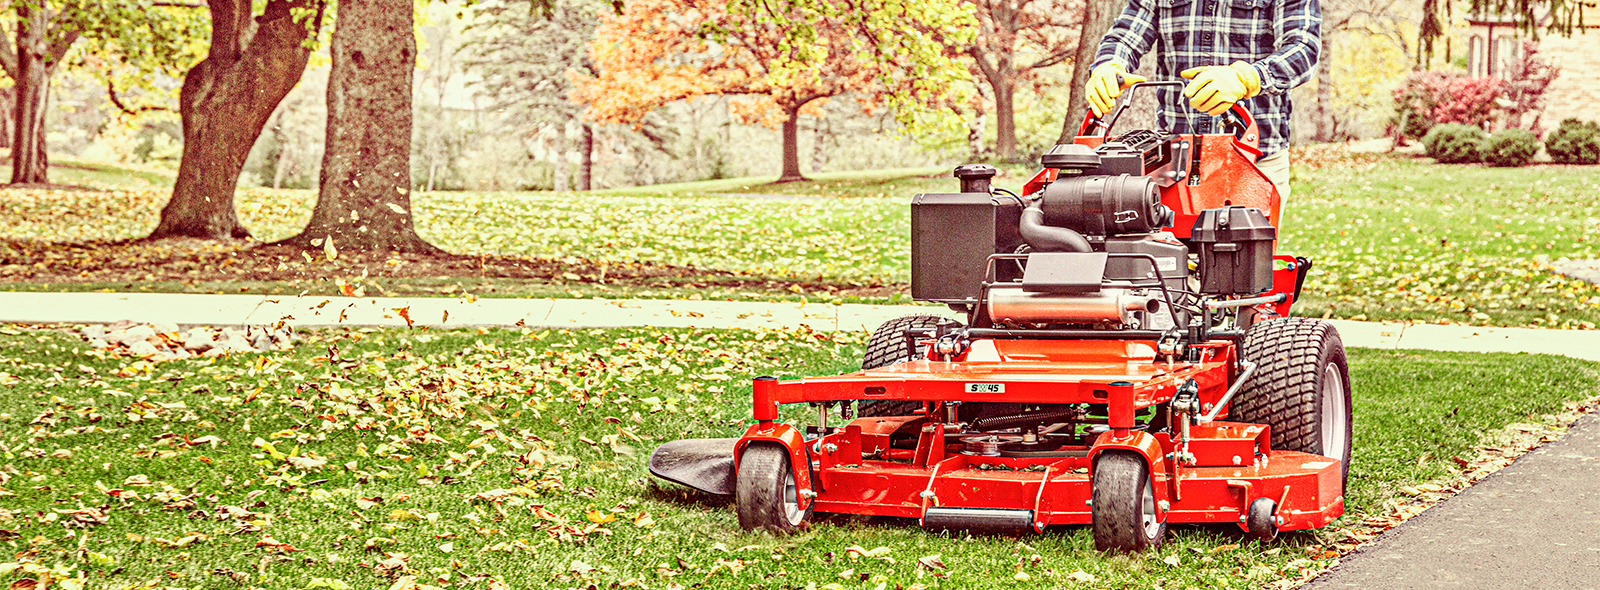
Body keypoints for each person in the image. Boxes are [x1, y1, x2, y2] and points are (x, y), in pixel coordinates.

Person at [1083, 0, 1321, 199]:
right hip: (1172, 162)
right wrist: (1108, 65)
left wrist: (1246, 78)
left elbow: (1302, 47)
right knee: (1165, 254)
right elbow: (1125, 37)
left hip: (1254, 161)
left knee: (1247, 254)